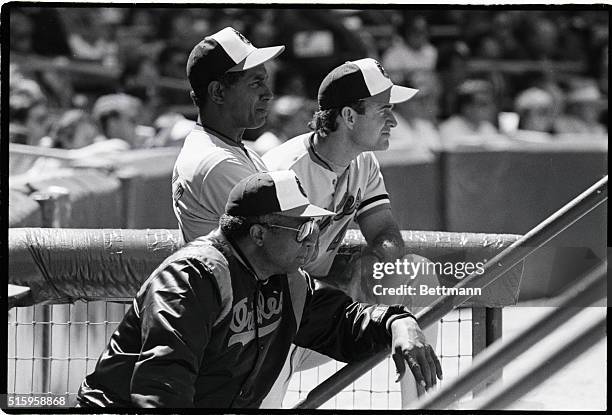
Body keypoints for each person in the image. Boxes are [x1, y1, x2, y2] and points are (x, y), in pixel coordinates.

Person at [76, 170, 441, 408]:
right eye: (302, 229)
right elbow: (161, 389)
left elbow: (343, 323)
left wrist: (398, 322)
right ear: (258, 233)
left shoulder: (285, 279)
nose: (312, 240)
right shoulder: (191, 279)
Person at [262, 58, 441, 407]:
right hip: (268, 321)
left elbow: (385, 231)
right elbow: (269, 272)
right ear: (348, 116)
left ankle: (419, 405)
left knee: (416, 271)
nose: (393, 120)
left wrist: (376, 260)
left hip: (321, 315)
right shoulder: (285, 173)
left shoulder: (363, 161)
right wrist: (339, 291)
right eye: (383, 110)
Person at [172, 26, 284, 244]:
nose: (268, 94)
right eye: (255, 83)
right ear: (218, 92)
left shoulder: (228, 149)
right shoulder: (218, 163)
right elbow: (279, 246)